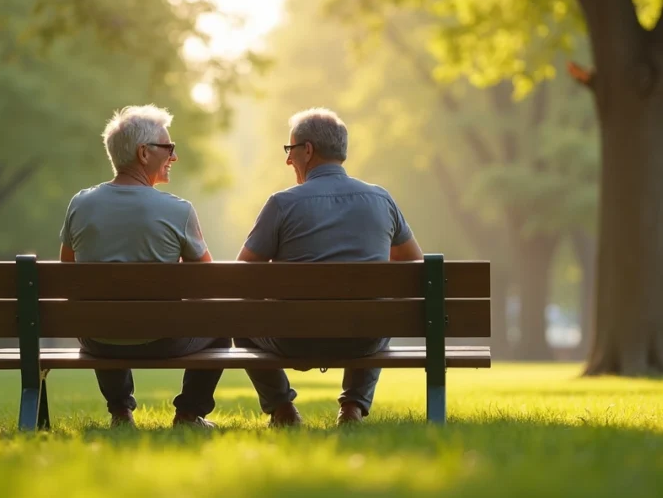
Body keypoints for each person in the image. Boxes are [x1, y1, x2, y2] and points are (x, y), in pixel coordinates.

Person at [235, 107, 424, 427]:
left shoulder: (282, 203)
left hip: (293, 337)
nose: (288, 159)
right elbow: (414, 263)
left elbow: (242, 275)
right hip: (363, 338)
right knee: (380, 311)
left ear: (307, 150)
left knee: (240, 319)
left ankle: (283, 410)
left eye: (290, 149)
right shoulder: (381, 200)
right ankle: (352, 407)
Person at [59, 104, 229, 429]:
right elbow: (208, 284)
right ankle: (189, 414)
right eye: (169, 147)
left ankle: (120, 412)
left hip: (98, 339)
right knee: (221, 324)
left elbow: (68, 276)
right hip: (162, 338)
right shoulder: (178, 210)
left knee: (103, 313)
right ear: (143, 153)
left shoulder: (80, 204)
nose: (174, 156)